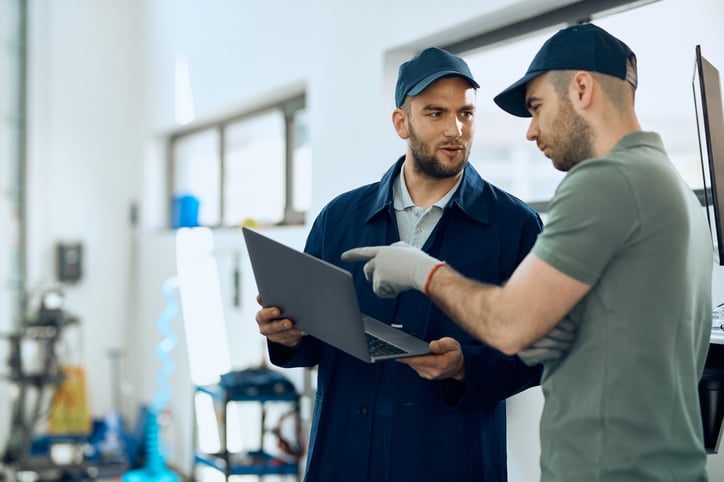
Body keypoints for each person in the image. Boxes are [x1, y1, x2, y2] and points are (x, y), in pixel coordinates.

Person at [343, 24, 713, 481]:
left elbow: (510, 325)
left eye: (537, 107)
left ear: (581, 89)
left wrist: (423, 271)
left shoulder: (604, 181)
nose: (531, 132)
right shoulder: (672, 187)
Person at [255, 47, 551, 482]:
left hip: (450, 462)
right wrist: (288, 335)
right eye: (435, 113)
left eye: (465, 114)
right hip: (343, 459)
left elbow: (541, 351)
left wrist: (464, 366)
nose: (455, 130)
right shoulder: (339, 219)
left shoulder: (515, 227)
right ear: (401, 123)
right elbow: (311, 342)